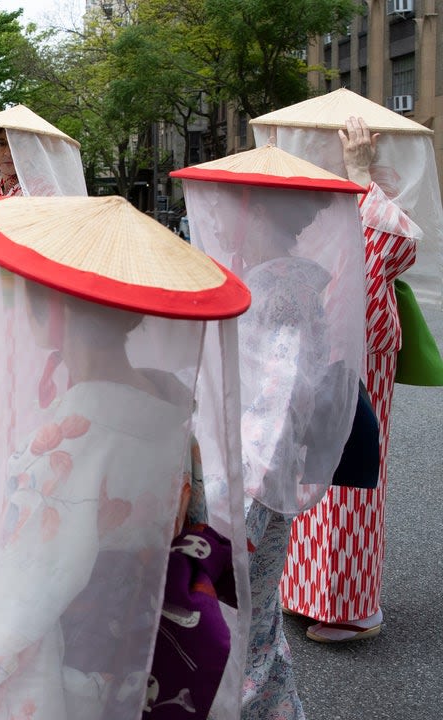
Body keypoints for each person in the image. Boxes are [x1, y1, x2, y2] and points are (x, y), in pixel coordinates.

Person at [0, 194, 251, 719]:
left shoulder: (66, 440)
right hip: (139, 637)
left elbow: (26, 594)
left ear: (52, 312)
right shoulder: (170, 413)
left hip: (69, 653)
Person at [174, 144, 368, 719]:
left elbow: (277, 400)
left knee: (238, 621)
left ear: (253, 211)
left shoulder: (278, 291)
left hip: (249, 480)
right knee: (255, 619)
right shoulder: (283, 282)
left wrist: (239, 493)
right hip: (257, 472)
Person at [253, 98, 428, 643]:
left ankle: (352, 605)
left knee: (348, 474)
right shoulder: (321, 205)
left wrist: (357, 175)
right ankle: (306, 591)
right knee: (305, 468)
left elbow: (397, 244)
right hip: (312, 341)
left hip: (358, 343)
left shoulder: (370, 193)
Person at [0, 105, 88, 317]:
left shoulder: (43, 193)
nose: (8, 152)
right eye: (2, 143)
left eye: (15, 145)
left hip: (29, 292)